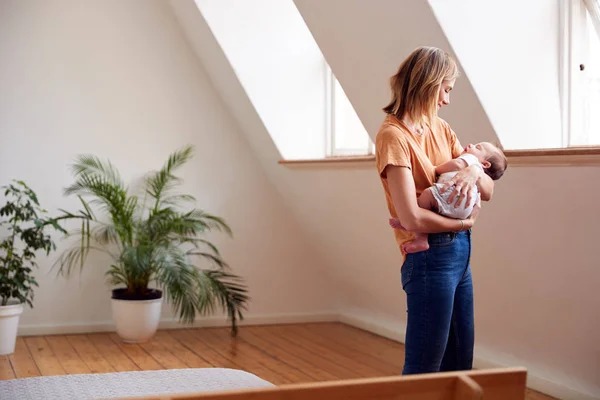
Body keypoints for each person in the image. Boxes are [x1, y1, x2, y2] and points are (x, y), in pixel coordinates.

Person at [375, 46, 496, 375]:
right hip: (430, 259)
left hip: (460, 256)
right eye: (446, 89)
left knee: (459, 365)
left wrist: (473, 170)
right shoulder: (393, 137)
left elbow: (488, 189)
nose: (446, 100)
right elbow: (412, 217)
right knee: (424, 369)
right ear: (429, 84)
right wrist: (464, 223)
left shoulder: (441, 129)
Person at [389, 141, 507, 253]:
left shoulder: (471, 160)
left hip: (450, 196)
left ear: (485, 164)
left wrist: (435, 169)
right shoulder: (477, 170)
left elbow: (457, 164)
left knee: (426, 196)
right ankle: (409, 223)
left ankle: (421, 238)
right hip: (465, 210)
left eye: (478, 147)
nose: (471, 144)